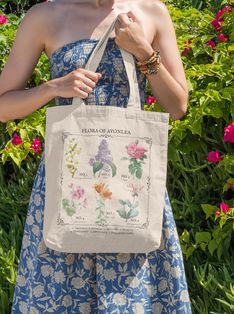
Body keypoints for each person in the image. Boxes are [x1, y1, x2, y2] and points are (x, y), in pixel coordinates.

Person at [0, 0, 192, 312]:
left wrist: (144, 52)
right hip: (69, 186)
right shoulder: (45, 16)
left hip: (131, 188)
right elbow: (3, 106)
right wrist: (53, 88)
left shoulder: (151, 12)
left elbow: (178, 106)